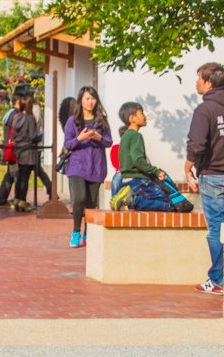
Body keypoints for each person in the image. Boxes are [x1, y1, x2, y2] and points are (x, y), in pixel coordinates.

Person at [184, 63, 224, 295]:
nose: (196, 83)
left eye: (198, 78)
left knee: (217, 230)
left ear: (209, 82)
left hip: (214, 177)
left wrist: (188, 166)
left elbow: (197, 144)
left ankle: (219, 280)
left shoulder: (205, 110)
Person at [63, 86, 112, 248]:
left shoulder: (101, 120)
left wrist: (98, 137)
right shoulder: (73, 121)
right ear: (81, 101)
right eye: (87, 99)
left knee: (91, 203)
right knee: (80, 198)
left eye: (93, 98)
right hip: (77, 166)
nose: (90, 102)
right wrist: (80, 138)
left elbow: (109, 142)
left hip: (95, 166)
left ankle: (88, 232)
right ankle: (76, 231)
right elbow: (68, 144)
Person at [114, 102, 173, 212]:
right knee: (169, 203)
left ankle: (131, 199)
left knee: (153, 203)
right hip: (139, 180)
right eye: (141, 113)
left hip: (127, 180)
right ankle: (132, 201)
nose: (145, 116)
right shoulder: (136, 136)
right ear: (132, 118)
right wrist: (156, 171)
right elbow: (138, 160)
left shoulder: (125, 136)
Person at [10, 95, 40, 213]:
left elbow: (14, 135)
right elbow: (33, 136)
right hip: (28, 151)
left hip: (18, 150)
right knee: (25, 178)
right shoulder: (30, 118)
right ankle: (23, 201)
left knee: (19, 176)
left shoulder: (16, 117)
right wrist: (39, 136)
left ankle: (17, 200)